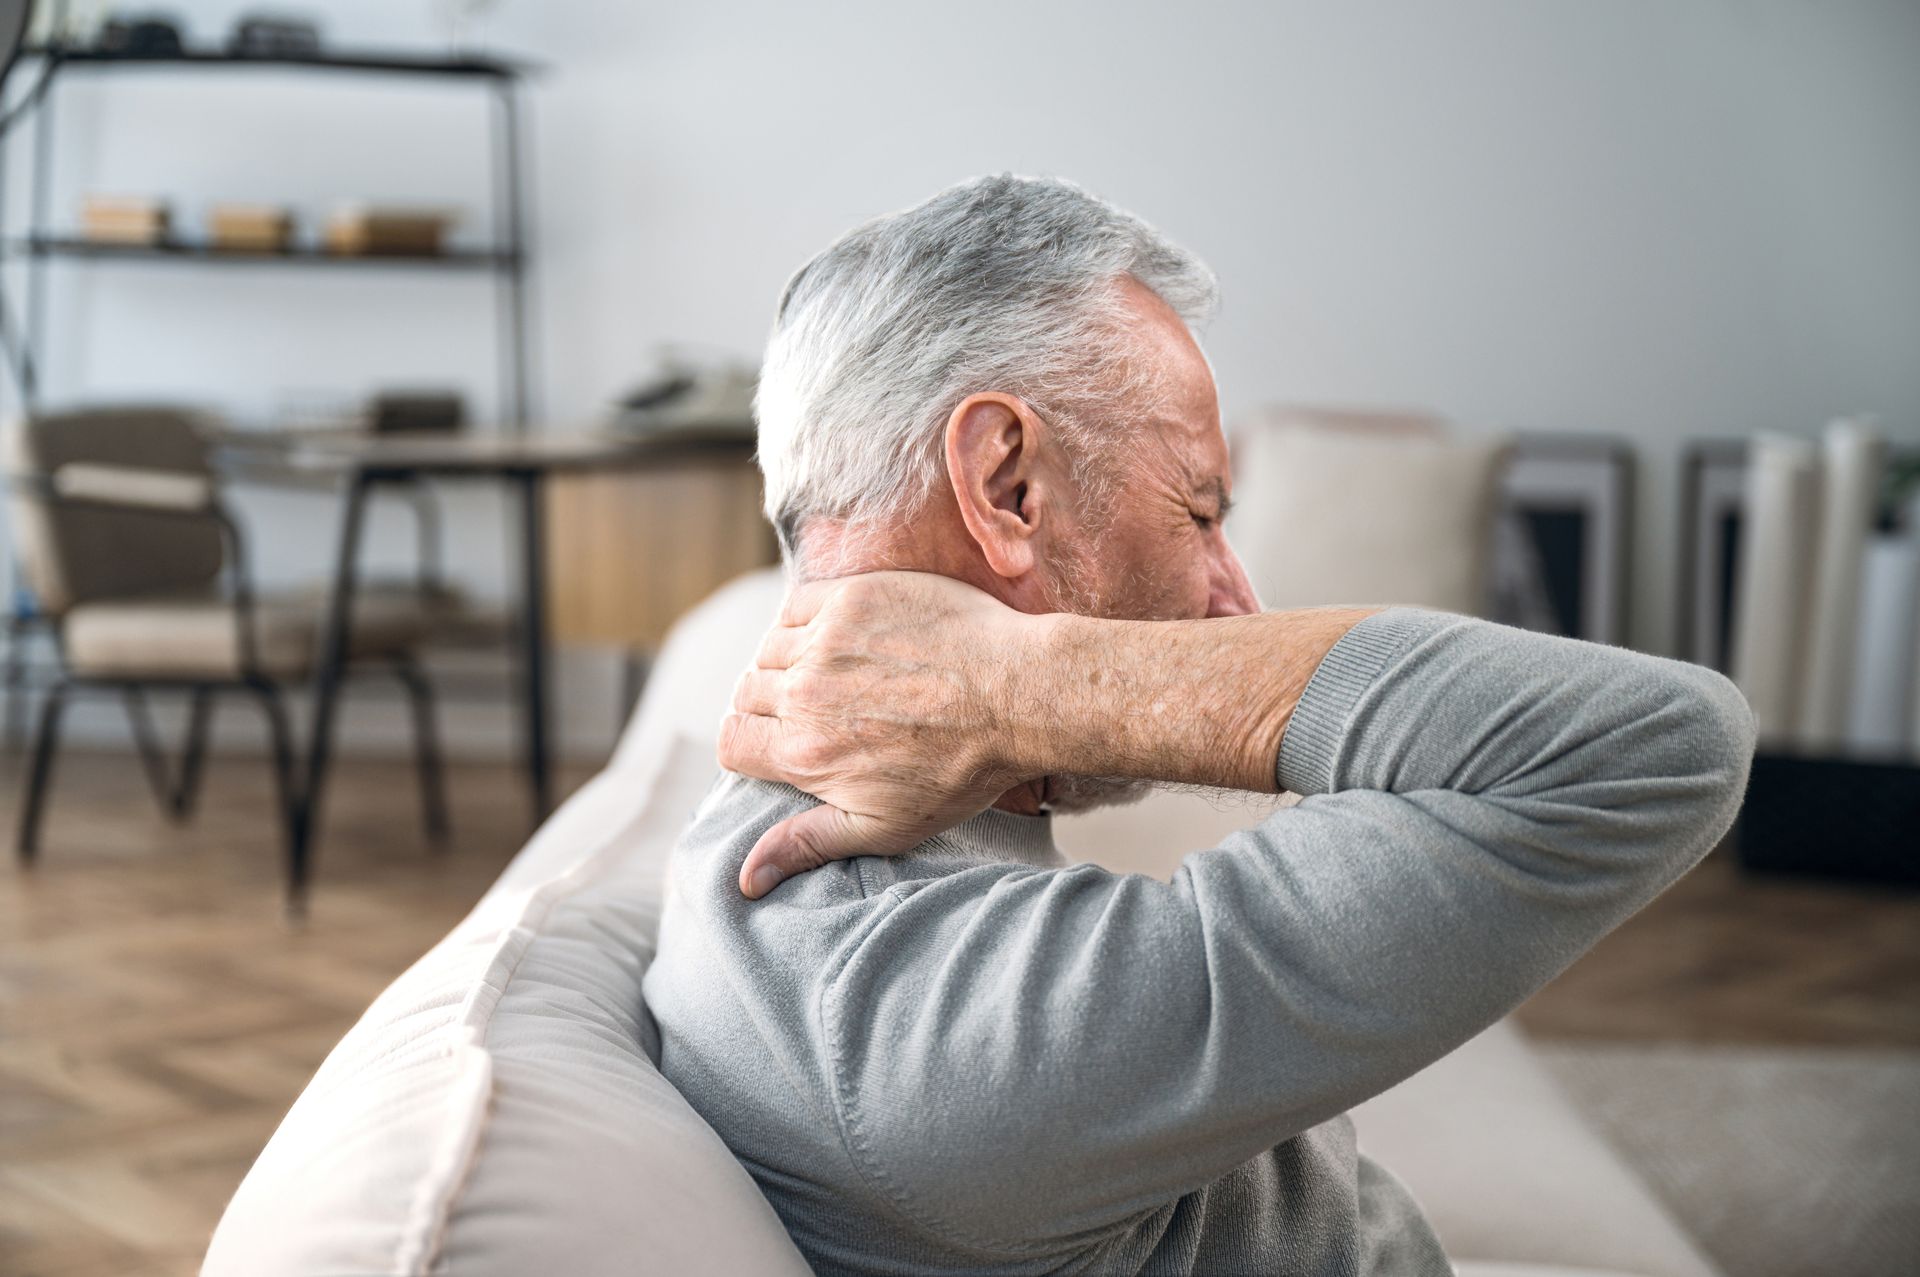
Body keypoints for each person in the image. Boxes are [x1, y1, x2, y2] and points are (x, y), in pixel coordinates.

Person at [642, 175, 1755, 1276]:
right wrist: (1011, 681)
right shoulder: (915, 1026)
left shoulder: (799, 880)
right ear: (1008, 486)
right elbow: (1658, 743)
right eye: (1200, 512)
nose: (1238, 603)